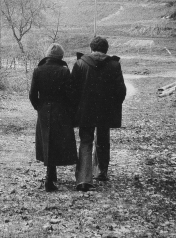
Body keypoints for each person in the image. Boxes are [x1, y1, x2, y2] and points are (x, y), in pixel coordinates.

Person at [71, 36, 126, 192]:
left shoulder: (80, 63)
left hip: (85, 111)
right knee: (103, 139)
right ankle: (101, 172)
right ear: (106, 49)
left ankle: (83, 179)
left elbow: (73, 89)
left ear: (91, 48)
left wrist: (76, 107)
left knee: (85, 142)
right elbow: (121, 91)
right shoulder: (114, 65)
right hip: (106, 111)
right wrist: (114, 106)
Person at [29, 43, 78, 192]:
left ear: (47, 56)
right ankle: (49, 179)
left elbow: (32, 95)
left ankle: (51, 175)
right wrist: (69, 110)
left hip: (44, 110)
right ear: (60, 57)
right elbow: (71, 95)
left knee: (46, 141)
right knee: (56, 141)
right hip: (60, 111)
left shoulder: (38, 70)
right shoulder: (64, 72)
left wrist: (40, 107)